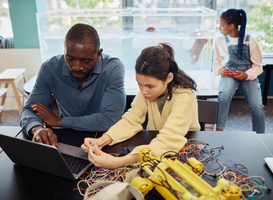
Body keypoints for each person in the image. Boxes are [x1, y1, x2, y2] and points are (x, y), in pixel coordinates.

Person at [81, 43, 200, 169]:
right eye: (139, 84)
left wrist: (119, 162)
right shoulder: (146, 92)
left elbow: (169, 139)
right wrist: (102, 140)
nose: (143, 91)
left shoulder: (184, 96)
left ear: (169, 78)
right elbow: (132, 119)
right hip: (156, 153)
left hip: (186, 158)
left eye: (150, 86)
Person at [20, 23, 126, 147]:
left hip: (104, 139)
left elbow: (109, 120)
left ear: (98, 54)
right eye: (70, 58)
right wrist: (37, 128)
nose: (77, 67)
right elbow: (29, 110)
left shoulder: (113, 69)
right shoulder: (50, 68)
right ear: (64, 51)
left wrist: (59, 121)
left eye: (86, 61)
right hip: (67, 138)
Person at [213, 9, 265, 133]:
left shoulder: (250, 41)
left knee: (257, 106)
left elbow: (258, 66)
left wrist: (246, 75)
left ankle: (260, 136)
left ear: (231, 26)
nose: (219, 28)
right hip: (229, 74)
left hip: (248, 74)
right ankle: (219, 131)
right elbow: (216, 64)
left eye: (221, 25)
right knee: (223, 96)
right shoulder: (219, 41)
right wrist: (221, 71)